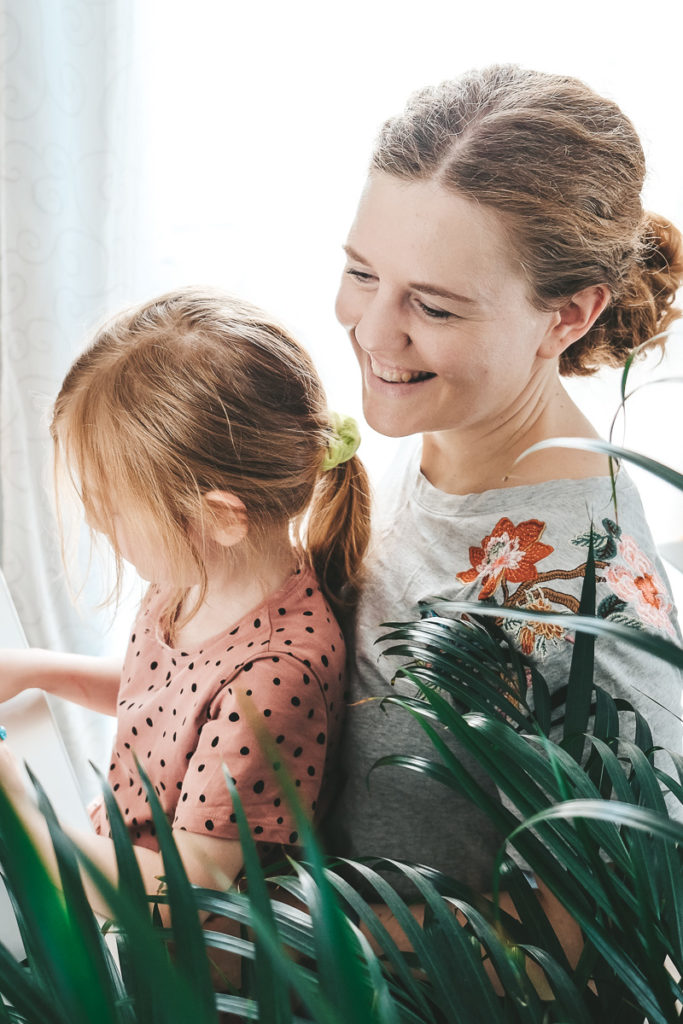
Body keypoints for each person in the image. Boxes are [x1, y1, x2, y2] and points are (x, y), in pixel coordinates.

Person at [325, 64, 683, 913]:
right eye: (362, 272)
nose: (373, 332)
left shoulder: (588, 608)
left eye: (436, 308)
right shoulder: (440, 431)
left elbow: (594, 965)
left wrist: (266, 938)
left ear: (568, 316)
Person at [0, 287, 370, 914]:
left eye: (109, 505)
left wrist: (22, 814)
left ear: (219, 517)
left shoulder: (277, 675)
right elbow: (169, 697)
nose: (94, 521)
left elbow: (189, 894)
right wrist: (37, 670)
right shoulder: (193, 574)